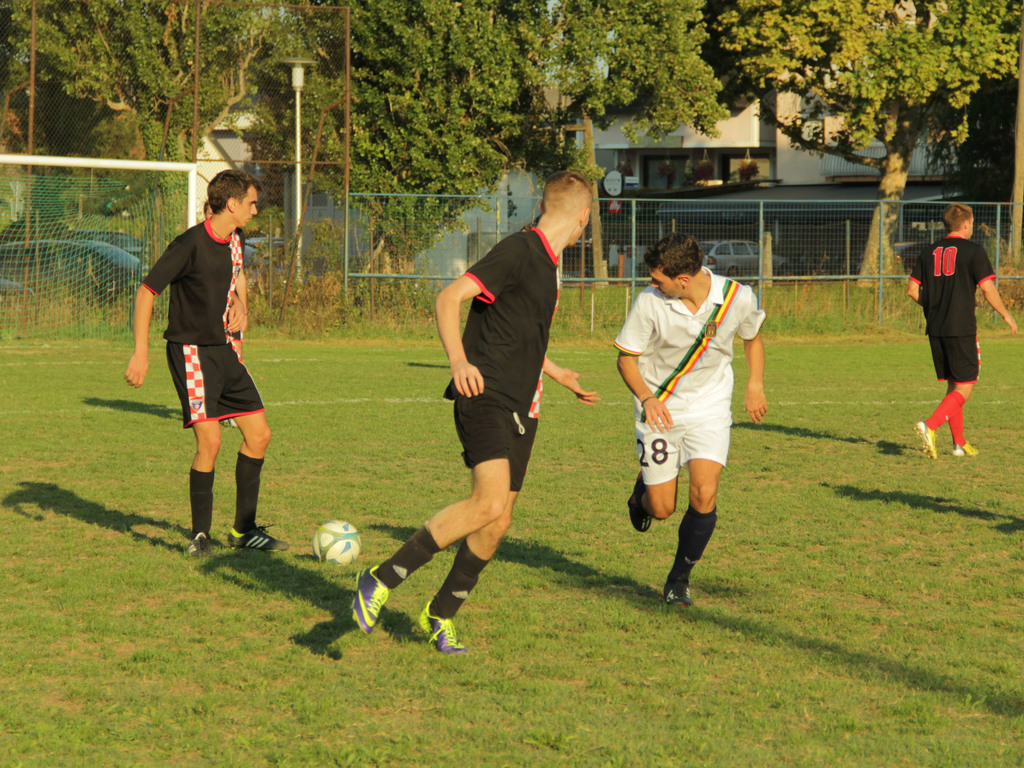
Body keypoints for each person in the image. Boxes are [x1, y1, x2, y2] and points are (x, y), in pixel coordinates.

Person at [352, 171, 599, 654]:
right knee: (487, 503)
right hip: (484, 393)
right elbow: (448, 297)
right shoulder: (519, 250)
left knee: (497, 521)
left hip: (524, 403)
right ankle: (379, 579)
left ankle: (440, 613)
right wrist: (458, 361)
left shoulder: (549, 266)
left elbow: (517, 331)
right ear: (584, 217)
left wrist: (555, 372)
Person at [124, 169, 288, 557]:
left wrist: (241, 306)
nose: (255, 211)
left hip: (223, 350)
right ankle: (200, 537)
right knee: (210, 442)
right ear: (232, 204)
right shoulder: (189, 244)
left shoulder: (235, 240)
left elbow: (235, 278)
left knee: (260, 435)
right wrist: (141, 352)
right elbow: (146, 292)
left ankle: (243, 530)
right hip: (191, 352)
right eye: (251, 204)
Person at [614, 232, 766, 608]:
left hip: (710, 408)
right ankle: (642, 495)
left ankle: (679, 579)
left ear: (682, 279)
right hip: (659, 408)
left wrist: (755, 384)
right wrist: (647, 398)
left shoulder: (737, 297)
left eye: (657, 278)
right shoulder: (649, 303)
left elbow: (752, 337)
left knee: (704, 493)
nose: (652, 284)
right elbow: (625, 359)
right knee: (662, 509)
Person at [908, 203, 1017, 459]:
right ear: (966, 224)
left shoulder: (928, 251)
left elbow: (912, 291)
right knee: (965, 387)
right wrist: (1006, 314)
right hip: (961, 328)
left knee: (954, 385)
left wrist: (933, 305)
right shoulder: (973, 251)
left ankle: (959, 443)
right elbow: (988, 289)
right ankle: (930, 425)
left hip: (936, 329)